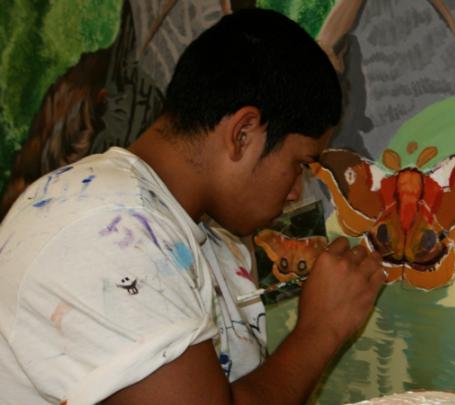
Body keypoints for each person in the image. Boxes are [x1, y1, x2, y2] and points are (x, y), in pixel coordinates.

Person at [0, 9, 386, 405]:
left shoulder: (205, 236)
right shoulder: (105, 231)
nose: (296, 193)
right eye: (299, 165)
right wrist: (321, 329)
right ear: (242, 133)